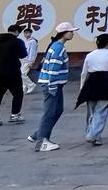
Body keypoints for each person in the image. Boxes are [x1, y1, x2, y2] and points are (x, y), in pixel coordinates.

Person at [28, 22, 77, 152]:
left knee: (57, 110)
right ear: (64, 33)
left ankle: (38, 134)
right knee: (49, 112)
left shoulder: (56, 46)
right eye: (71, 31)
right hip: (51, 84)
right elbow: (53, 69)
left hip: (54, 84)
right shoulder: (58, 48)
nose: (73, 34)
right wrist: (53, 86)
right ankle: (42, 141)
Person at [75, 32, 108, 146]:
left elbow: (84, 73)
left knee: (91, 112)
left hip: (91, 83)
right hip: (105, 83)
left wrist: (82, 87)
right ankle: (93, 135)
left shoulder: (90, 55)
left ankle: (93, 134)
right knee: (101, 111)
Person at [0, 24, 28, 127]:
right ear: (16, 32)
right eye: (18, 32)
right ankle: (15, 115)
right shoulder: (17, 42)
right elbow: (23, 55)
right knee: (18, 94)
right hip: (13, 73)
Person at [21, 27, 39, 95]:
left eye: (27, 33)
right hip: (23, 60)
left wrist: (31, 61)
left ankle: (31, 85)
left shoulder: (33, 41)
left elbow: (32, 52)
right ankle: (24, 88)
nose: (26, 34)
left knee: (22, 74)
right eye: (25, 33)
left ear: (31, 33)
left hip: (28, 60)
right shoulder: (25, 41)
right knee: (22, 74)